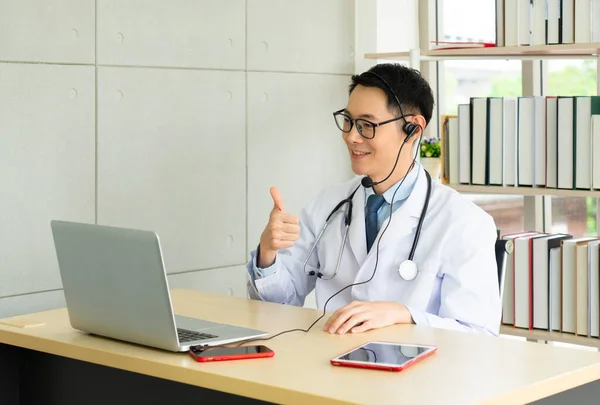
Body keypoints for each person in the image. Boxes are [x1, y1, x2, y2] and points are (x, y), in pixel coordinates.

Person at [246, 63, 501, 337]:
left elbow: (479, 335)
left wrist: (402, 315)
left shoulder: (464, 222)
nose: (351, 136)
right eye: (348, 121)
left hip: (419, 374)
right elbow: (278, 307)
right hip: (330, 365)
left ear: (413, 129)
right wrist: (268, 253)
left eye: (366, 125)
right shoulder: (328, 205)